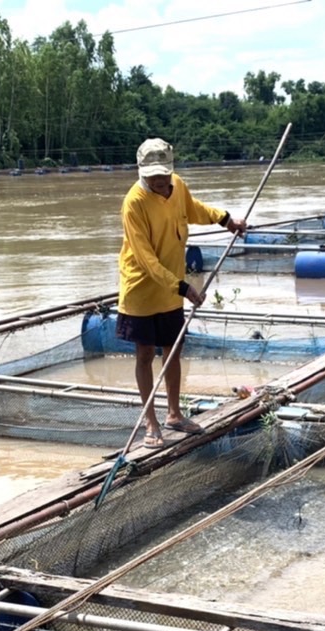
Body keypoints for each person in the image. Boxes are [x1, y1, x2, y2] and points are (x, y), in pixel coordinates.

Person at [117, 137, 248, 447]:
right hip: (141, 289)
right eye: (154, 177)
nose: (161, 182)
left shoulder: (177, 186)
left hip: (171, 288)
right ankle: (151, 422)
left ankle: (174, 414)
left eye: (164, 175)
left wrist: (225, 220)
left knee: (172, 349)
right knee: (145, 354)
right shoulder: (134, 203)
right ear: (142, 173)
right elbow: (147, 260)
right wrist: (184, 287)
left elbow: (194, 210)